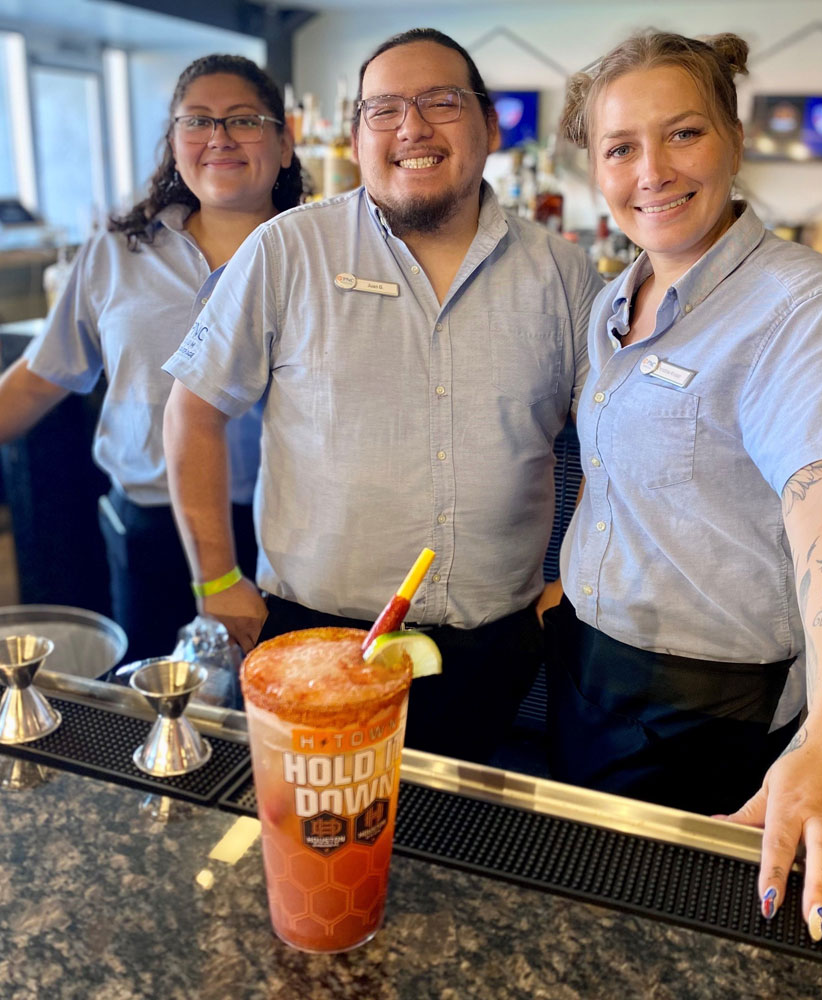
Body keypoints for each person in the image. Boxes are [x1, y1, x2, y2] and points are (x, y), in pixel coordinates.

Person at [162, 29, 603, 763]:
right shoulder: (288, 249)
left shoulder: (561, 273)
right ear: (357, 133)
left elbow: (614, 439)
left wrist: (570, 585)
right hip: (314, 635)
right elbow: (194, 409)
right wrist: (215, 577)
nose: (412, 128)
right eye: (384, 109)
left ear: (490, 125)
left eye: (440, 102)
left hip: (490, 645)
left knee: (460, 853)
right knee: (319, 849)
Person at [549, 29, 822, 942]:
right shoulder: (613, 300)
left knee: (658, 936)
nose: (651, 171)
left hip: (704, 712)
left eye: (684, 135)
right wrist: (574, 574)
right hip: (587, 663)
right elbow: (617, 469)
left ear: (735, 141)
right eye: (621, 148)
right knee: (580, 906)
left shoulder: (804, 307)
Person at [0, 54, 307, 662]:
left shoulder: (321, 257)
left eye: (244, 119)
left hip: (293, 536)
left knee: (283, 722)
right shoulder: (116, 255)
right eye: (197, 121)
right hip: (150, 530)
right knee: (157, 720)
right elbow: (41, 377)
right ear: (173, 144)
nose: (218, 137)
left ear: (285, 142)